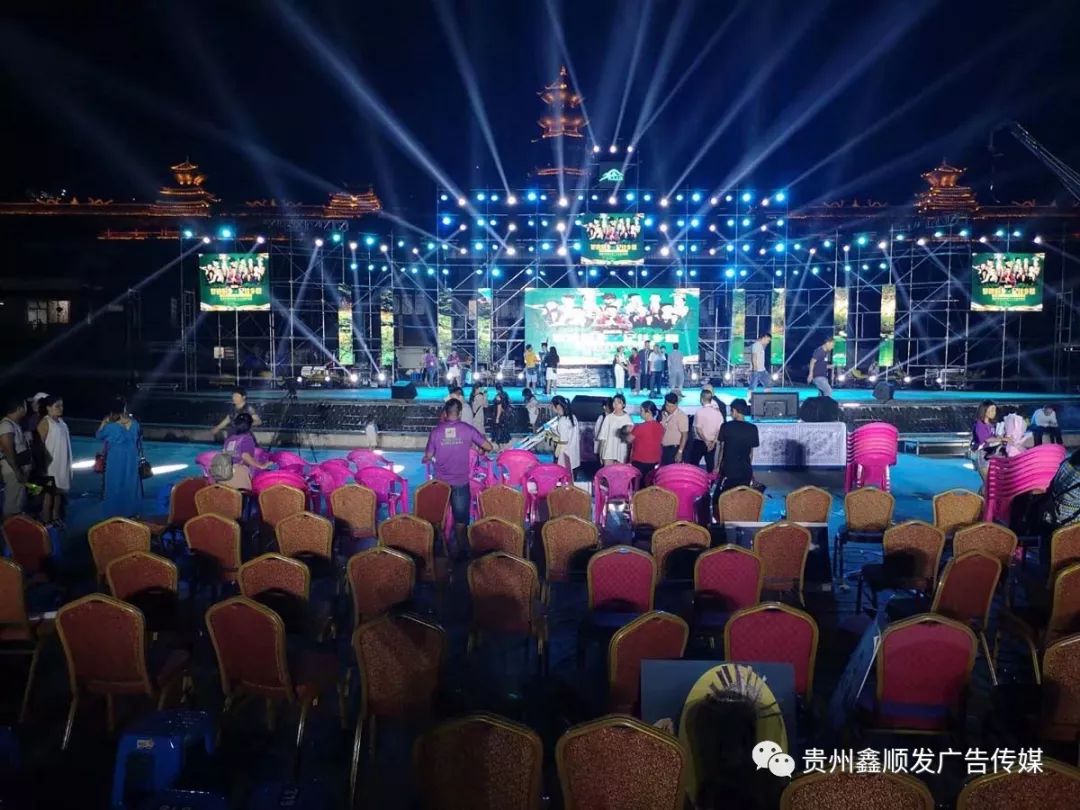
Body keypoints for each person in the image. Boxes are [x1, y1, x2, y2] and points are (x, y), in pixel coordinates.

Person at [423, 399, 493, 553]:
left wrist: (430, 457)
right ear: (460, 413)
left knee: (438, 518)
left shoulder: (436, 432)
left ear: (445, 413)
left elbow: (428, 455)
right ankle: (462, 553)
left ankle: (437, 549)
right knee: (461, 521)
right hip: (461, 482)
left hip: (440, 483)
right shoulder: (468, 429)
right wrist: (480, 449)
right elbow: (489, 446)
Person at [95, 399, 143, 518]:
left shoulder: (111, 427)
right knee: (131, 484)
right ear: (124, 408)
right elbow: (139, 441)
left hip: (115, 459)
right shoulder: (135, 424)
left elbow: (99, 435)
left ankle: (114, 514)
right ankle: (131, 513)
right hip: (131, 458)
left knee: (114, 484)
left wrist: (104, 422)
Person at [36, 395, 72, 526]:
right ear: (48, 407)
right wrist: (42, 465)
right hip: (49, 465)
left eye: (61, 405)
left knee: (58, 492)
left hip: (61, 463)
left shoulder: (62, 423)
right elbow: (39, 445)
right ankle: (45, 518)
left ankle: (55, 516)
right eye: (57, 406)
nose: (60, 408)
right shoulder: (45, 422)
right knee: (48, 494)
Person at [221, 412, 272, 489]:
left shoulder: (229, 439)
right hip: (238, 476)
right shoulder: (247, 438)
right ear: (250, 426)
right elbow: (244, 455)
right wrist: (260, 465)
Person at [718, 398, 759, 490]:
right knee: (743, 494)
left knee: (726, 494)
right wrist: (749, 468)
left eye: (731, 411)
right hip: (745, 470)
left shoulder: (726, 426)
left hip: (729, 469)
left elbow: (722, 449)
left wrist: (717, 467)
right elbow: (751, 453)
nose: (731, 414)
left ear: (735, 411)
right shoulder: (753, 428)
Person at [0, 396, 30, 517]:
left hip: (18, 469)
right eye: (25, 406)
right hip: (12, 471)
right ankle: (8, 526)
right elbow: (7, 450)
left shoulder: (14, 424)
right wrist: (17, 471)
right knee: (12, 504)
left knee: (18, 502)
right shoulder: (6, 425)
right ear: (19, 408)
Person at [971, 400, 1007, 485]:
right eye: (991, 410)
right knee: (988, 483)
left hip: (989, 454)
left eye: (994, 410)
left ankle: (983, 493)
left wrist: (1001, 437)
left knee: (990, 483)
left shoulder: (990, 424)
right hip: (981, 456)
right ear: (984, 410)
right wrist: (1001, 439)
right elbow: (986, 439)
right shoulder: (979, 424)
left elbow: (993, 437)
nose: (993, 412)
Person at [688, 389, 725, 473]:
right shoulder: (718, 413)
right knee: (710, 465)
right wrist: (713, 442)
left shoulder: (699, 412)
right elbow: (719, 429)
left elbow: (698, 430)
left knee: (694, 464)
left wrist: (706, 441)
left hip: (700, 442)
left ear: (701, 399)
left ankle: (695, 479)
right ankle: (710, 480)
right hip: (712, 443)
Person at [626, 400, 663, 480]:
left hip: (640, 460)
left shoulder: (640, 427)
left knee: (639, 484)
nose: (640, 413)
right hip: (655, 460)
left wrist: (625, 431)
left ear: (648, 412)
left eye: (641, 410)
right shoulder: (660, 427)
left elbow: (628, 439)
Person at [596, 394, 633, 465]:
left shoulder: (628, 419)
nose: (616, 404)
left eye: (619, 402)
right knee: (607, 471)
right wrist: (600, 453)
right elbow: (603, 437)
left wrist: (628, 456)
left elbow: (630, 440)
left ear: (624, 405)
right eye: (614, 402)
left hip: (621, 453)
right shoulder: (608, 418)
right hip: (608, 452)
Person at [548, 395, 580, 473]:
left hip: (565, 458)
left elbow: (563, 441)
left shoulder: (562, 421)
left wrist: (551, 437)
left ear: (558, 406)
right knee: (572, 478)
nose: (551, 408)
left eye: (552, 406)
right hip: (574, 457)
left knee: (565, 479)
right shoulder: (572, 417)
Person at [660, 392, 689, 465]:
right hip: (664, 449)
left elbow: (684, 435)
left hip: (675, 449)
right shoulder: (663, 414)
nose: (670, 408)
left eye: (672, 406)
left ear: (676, 404)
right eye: (667, 406)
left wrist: (680, 452)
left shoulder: (681, 416)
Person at [492, 384, 512, 450]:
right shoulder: (505, 394)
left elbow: (499, 407)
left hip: (500, 416)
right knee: (503, 431)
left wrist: (497, 418)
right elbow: (509, 401)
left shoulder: (498, 396)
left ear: (496, 389)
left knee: (499, 432)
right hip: (505, 416)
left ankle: (501, 448)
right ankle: (503, 448)